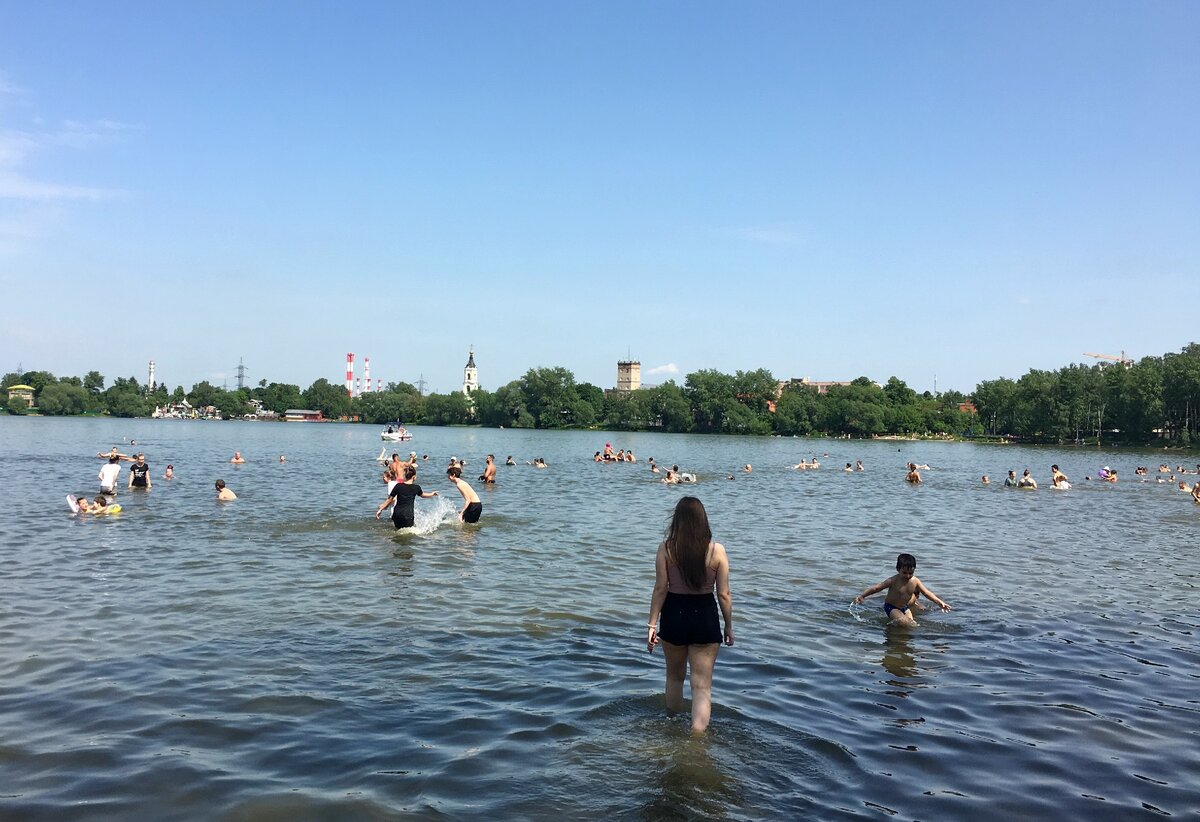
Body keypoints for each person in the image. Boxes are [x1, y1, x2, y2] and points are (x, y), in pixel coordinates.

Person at [646, 497, 733, 733]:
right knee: (702, 686)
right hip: (704, 615)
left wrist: (652, 625)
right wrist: (728, 626)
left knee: (674, 678)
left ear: (677, 521)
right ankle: (697, 736)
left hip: (674, 614)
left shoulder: (666, 548)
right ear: (703, 521)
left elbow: (660, 588)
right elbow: (723, 594)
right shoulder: (717, 551)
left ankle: (672, 725)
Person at [854, 553, 951, 627]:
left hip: (905, 607)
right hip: (891, 607)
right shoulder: (893, 580)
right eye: (904, 573)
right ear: (897, 569)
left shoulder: (915, 581)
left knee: (912, 626)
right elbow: (877, 588)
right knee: (903, 622)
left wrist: (939, 602)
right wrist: (862, 596)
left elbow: (926, 592)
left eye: (911, 573)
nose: (908, 576)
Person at [375, 464, 438, 529]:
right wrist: (432, 494)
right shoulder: (416, 487)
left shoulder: (398, 486)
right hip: (408, 515)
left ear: (405, 476)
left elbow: (389, 499)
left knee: (397, 532)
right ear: (414, 477)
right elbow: (423, 495)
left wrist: (380, 509)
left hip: (397, 515)